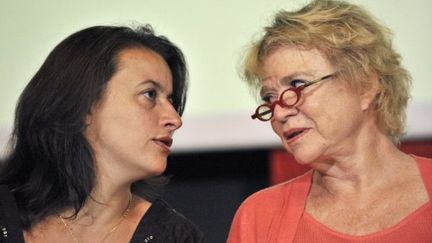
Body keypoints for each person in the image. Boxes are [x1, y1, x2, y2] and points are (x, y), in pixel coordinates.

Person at [227, 0, 432, 242]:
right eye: (269, 97)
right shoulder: (260, 217)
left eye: (298, 84)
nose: (279, 113)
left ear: (365, 85)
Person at [0, 25, 204, 243]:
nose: (175, 119)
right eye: (150, 94)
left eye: (171, 101)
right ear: (84, 105)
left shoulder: (176, 237)